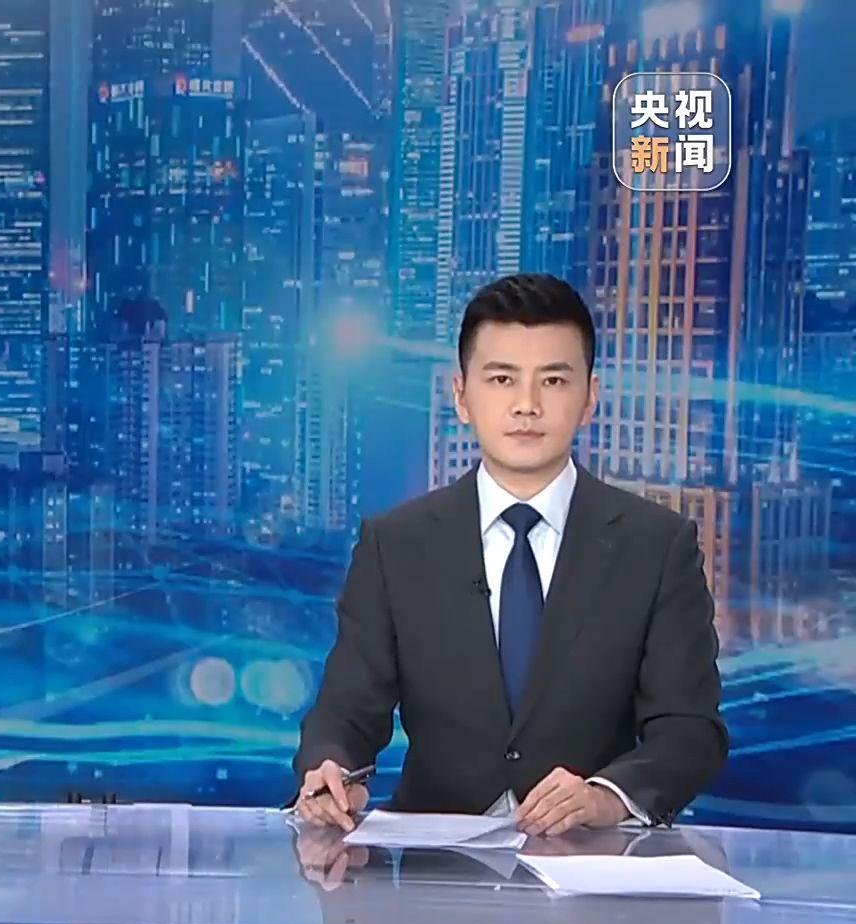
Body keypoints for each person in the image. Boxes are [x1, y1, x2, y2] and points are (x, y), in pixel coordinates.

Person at [292, 272, 727, 835]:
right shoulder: (395, 544)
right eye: (501, 379)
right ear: (461, 395)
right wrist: (331, 768)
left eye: (554, 380)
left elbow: (690, 730)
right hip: (435, 863)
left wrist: (608, 796)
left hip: (590, 863)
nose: (527, 405)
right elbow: (346, 712)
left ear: (590, 397)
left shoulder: (656, 545)